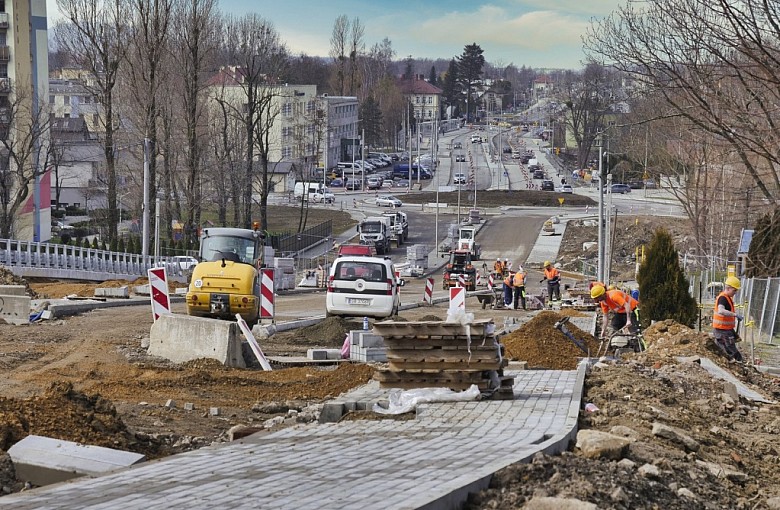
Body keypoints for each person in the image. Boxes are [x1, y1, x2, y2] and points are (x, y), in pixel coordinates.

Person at [712, 276, 744, 362]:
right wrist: (735, 315)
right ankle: (738, 364)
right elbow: (721, 310)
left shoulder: (728, 298)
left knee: (729, 350)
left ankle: (737, 363)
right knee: (729, 351)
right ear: (728, 288)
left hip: (725, 330)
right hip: (721, 331)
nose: (735, 292)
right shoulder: (723, 298)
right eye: (734, 290)